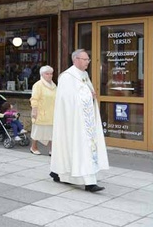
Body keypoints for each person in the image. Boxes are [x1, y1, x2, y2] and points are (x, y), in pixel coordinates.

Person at [50, 49, 109, 193]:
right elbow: (66, 100)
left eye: (88, 59)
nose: (88, 62)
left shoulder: (84, 75)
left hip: (85, 122)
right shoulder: (67, 76)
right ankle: (88, 182)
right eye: (85, 59)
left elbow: (85, 93)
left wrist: (91, 95)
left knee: (84, 149)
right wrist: (88, 95)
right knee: (76, 149)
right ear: (75, 60)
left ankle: (62, 173)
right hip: (73, 122)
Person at [30, 65, 56, 155]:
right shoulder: (37, 85)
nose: (50, 75)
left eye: (51, 74)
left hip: (52, 113)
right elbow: (34, 99)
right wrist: (34, 110)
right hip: (41, 112)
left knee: (51, 132)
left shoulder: (54, 85)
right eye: (47, 74)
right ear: (42, 74)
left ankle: (52, 149)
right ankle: (33, 147)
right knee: (37, 131)